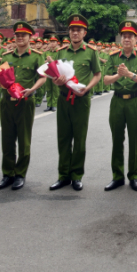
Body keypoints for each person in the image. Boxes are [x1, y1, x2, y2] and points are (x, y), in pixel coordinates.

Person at [49, 14, 102, 192]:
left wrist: (88, 88)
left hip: (81, 100)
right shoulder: (61, 52)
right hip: (63, 99)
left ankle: (77, 176)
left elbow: (97, 74)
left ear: (84, 32)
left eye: (78, 30)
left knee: (79, 139)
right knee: (63, 138)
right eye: (72, 30)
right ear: (69, 33)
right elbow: (55, 74)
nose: (75, 33)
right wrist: (56, 81)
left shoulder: (91, 52)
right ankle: (63, 176)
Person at [0, 21, 46, 190]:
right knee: (7, 140)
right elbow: (1, 78)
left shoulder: (37, 56)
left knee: (24, 140)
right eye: (17, 35)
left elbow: (43, 77)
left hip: (25, 102)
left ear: (30, 37)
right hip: (7, 102)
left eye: (23, 35)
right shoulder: (7, 57)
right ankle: (7, 174)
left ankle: (20, 174)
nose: (20, 38)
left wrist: (33, 89)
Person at [101, 21, 137, 191]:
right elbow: (105, 80)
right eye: (124, 36)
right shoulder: (113, 56)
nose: (127, 38)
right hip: (117, 101)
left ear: (136, 39)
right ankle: (117, 176)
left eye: (130, 36)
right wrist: (118, 75)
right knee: (117, 139)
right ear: (121, 39)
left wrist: (129, 74)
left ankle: (134, 176)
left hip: (136, 101)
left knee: (134, 139)